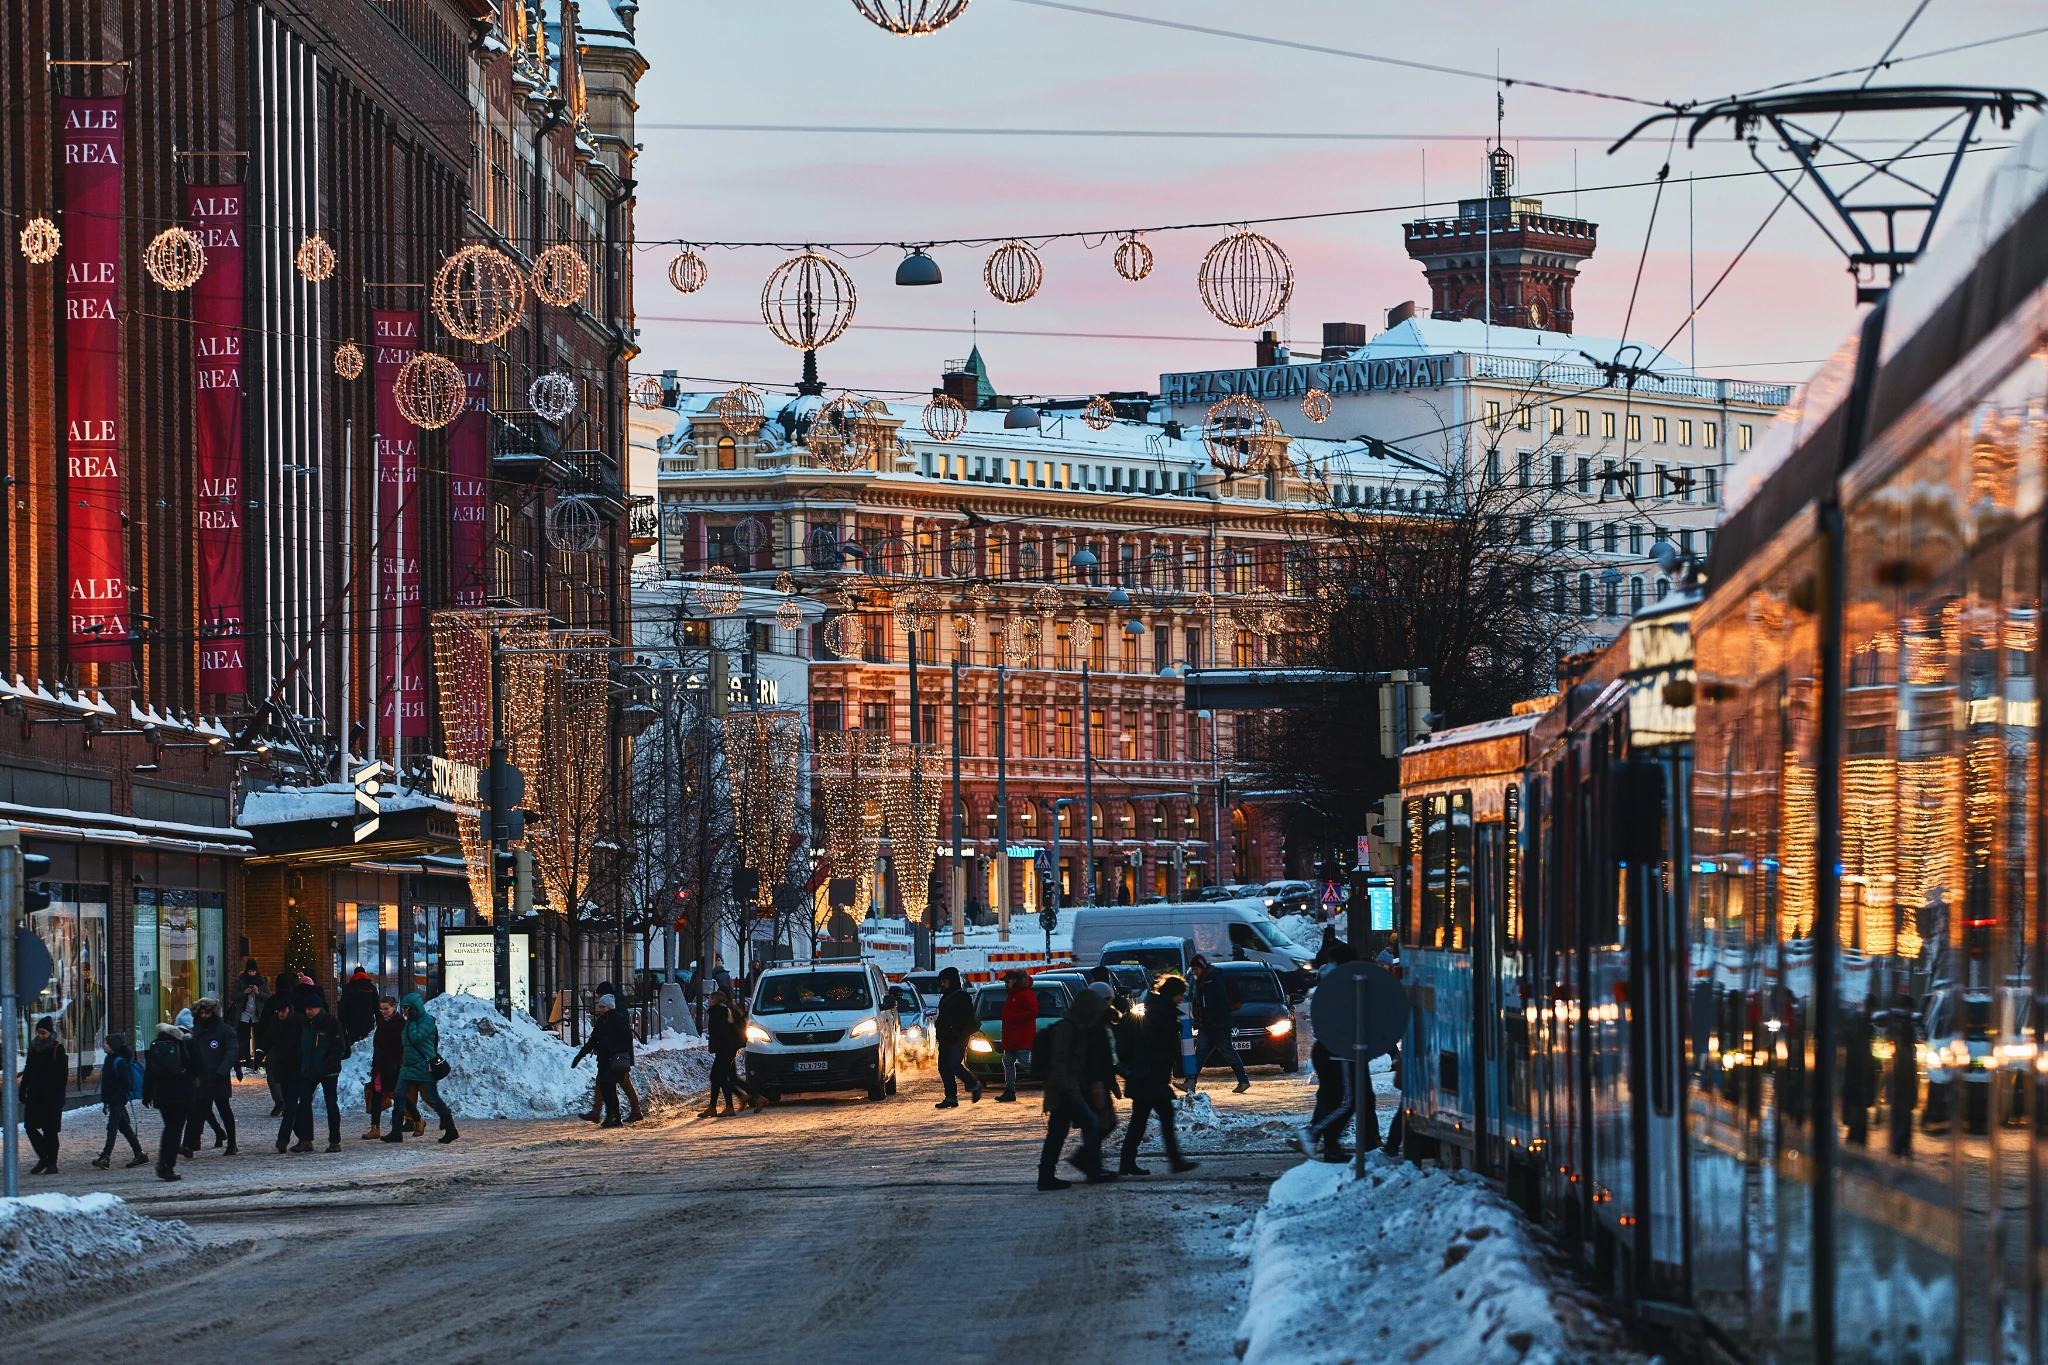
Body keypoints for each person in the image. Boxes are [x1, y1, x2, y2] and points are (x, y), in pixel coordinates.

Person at [1119, 975, 1198, 1177]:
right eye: (1180, 994)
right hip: (1149, 1076)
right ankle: (1175, 1161)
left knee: (1140, 1120)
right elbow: (1155, 1046)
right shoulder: (1160, 1014)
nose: (1182, 998)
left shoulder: (1158, 1010)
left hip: (1146, 1076)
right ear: (1173, 994)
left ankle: (1128, 1162)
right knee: (1160, 1116)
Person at [1038, 986, 1112, 1189]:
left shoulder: (1077, 1026)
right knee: (1090, 1124)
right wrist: (1070, 1091)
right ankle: (1093, 1170)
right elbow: (1060, 1061)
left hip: (1067, 1089)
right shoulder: (1067, 1027)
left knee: (1057, 1133)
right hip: (1064, 1090)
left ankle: (1046, 1176)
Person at [383, 992, 457, 1144]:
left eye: (406, 1009)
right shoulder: (410, 1022)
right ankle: (396, 1132)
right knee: (398, 1095)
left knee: (431, 1098)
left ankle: (451, 1129)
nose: (403, 1012)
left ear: (414, 1008)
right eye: (402, 1008)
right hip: (408, 1065)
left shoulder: (426, 1021)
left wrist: (412, 1020)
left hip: (424, 1066)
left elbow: (416, 1038)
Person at [287, 990, 346, 1154]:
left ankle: (335, 1140)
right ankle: (306, 1139)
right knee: (304, 1103)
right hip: (309, 1070)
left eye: (311, 1009)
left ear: (319, 1008)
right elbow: (302, 1046)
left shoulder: (330, 1022)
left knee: (331, 1105)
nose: (308, 1012)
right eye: (307, 1009)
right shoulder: (306, 1023)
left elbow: (340, 1047)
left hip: (328, 1072)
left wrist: (327, 1064)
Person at [580, 980, 644, 1123]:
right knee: (606, 1081)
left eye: (599, 996)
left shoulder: (616, 1008)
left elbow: (620, 1033)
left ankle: (632, 1111)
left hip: (616, 1055)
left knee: (621, 1082)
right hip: (612, 1055)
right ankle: (600, 1112)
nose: (597, 1000)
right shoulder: (616, 1005)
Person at [181, 997, 239, 1156]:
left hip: (218, 1077)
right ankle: (189, 1144)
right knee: (196, 1111)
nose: (204, 1015)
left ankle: (232, 1143)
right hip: (201, 1078)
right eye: (201, 1012)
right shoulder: (196, 1032)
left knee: (224, 1110)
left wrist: (223, 1070)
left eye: (207, 1012)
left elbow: (232, 1051)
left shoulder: (224, 1030)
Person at [142, 1020, 195, 1181]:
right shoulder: (185, 1044)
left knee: (169, 1128)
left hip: (161, 1095)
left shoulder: (156, 1044)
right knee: (175, 1129)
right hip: (181, 1094)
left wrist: (147, 1094)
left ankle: (163, 1162)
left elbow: (149, 1071)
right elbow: (198, 1067)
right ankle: (167, 1166)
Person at [1190, 955, 1251, 1093]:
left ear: (1202, 967)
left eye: (1196, 969)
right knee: (1200, 1053)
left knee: (1228, 1052)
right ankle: (1191, 1082)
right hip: (1208, 1025)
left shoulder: (1213, 980)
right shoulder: (1203, 981)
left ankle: (1243, 1080)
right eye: (1193, 969)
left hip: (1218, 1025)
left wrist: (1214, 1021)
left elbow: (1219, 1002)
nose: (1194, 972)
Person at [91, 1032, 151, 1170]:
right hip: (113, 1100)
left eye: (107, 1043)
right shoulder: (110, 1059)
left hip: (117, 1100)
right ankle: (140, 1154)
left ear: (114, 1046)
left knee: (112, 1128)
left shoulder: (119, 1062)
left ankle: (106, 1156)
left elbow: (126, 1083)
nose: (104, 1045)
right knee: (124, 1128)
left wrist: (116, 1097)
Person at [701, 988, 762, 1117]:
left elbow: (721, 1034)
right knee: (723, 1077)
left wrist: (719, 1046)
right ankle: (721, 1105)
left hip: (725, 1050)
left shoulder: (718, 1013)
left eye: (710, 998)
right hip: (727, 1049)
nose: (708, 1001)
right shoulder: (723, 1011)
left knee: (719, 1077)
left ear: (715, 1000)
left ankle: (726, 1106)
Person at [19, 1016, 67, 1175]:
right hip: (35, 1095)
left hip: (51, 1096)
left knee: (50, 1130)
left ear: (50, 1033)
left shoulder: (57, 1049)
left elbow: (63, 1075)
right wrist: (23, 1088)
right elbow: (28, 1069)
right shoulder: (33, 1048)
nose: (40, 1036)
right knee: (30, 1126)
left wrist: (59, 1094)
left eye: (43, 1033)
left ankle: (51, 1162)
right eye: (39, 1032)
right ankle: (44, 1156)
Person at [932, 966, 983, 1109]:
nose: (942, 984)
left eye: (945, 981)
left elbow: (966, 1018)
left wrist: (955, 1030)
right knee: (944, 1068)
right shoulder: (946, 996)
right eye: (941, 981)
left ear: (952, 981)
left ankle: (974, 1084)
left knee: (954, 1065)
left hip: (957, 1038)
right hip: (945, 1038)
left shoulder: (961, 996)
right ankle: (951, 1097)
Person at [364, 996, 406, 1138]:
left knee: (398, 1095)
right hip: (381, 1065)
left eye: (386, 1008)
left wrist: (396, 1062)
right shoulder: (382, 1022)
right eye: (381, 1009)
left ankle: (417, 1119)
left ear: (394, 1007)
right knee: (376, 1094)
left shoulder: (400, 1023)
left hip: (393, 1066)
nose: (383, 1011)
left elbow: (401, 1046)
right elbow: (378, 1045)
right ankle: (375, 1127)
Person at [997, 970, 1038, 1103]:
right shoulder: (1013, 995)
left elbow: (1033, 1011)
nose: (1005, 984)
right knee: (1008, 1063)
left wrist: (1014, 1018)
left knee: (1025, 1063)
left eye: (1007, 981)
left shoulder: (1025, 994)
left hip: (1021, 1036)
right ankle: (1009, 1090)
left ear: (1015, 981)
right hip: (1011, 1036)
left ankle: (1049, 1078)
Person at [259, 993, 298, 1119]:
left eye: (283, 1011)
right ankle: (281, 1101)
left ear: (288, 1009)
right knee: (271, 1072)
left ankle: (286, 1102)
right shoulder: (275, 1020)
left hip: (293, 1055)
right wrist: (260, 1051)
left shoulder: (297, 1021)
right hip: (277, 1053)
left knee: (287, 1080)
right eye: (278, 1011)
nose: (281, 1014)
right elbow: (268, 1038)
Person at [234, 958, 267, 1077]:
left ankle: (258, 1059)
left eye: (253, 971)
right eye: (250, 971)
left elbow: (268, 997)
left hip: (257, 1014)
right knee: (244, 1037)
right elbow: (234, 995)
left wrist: (258, 993)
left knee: (258, 1037)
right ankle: (245, 1059)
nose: (252, 974)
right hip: (244, 1014)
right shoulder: (241, 981)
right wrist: (244, 992)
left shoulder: (262, 982)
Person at [339, 965, 381, 1044]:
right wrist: (379, 1020)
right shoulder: (371, 987)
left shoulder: (348, 988)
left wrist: (343, 1023)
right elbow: (376, 1005)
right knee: (367, 1042)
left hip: (352, 1020)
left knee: (353, 1042)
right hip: (367, 1019)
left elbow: (343, 1006)